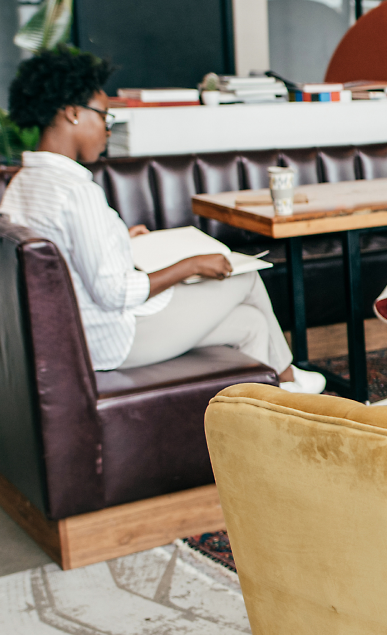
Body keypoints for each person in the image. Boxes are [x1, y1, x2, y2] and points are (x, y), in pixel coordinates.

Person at [0, 46, 323, 392]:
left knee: (251, 323)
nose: (108, 131)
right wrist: (191, 266)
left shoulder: (24, 182)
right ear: (72, 113)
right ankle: (288, 375)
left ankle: (268, 413)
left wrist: (121, 240)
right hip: (111, 339)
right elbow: (114, 293)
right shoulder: (76, 191)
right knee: (245, 278)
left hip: (81, 331)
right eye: (105, 117)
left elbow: (67, 255)